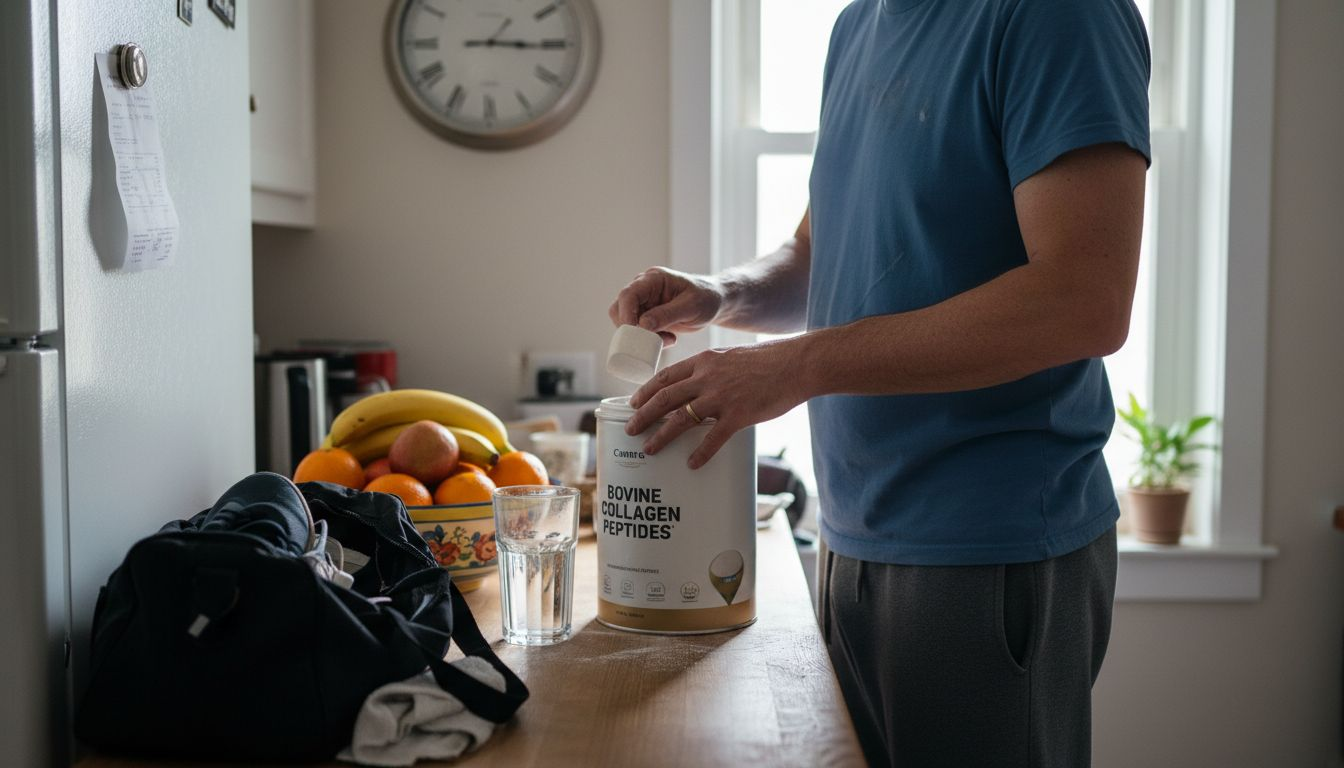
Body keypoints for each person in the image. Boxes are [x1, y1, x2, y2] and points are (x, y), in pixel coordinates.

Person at [609, 0, 1149, 765]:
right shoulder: (860, 25)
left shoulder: (1055, 15)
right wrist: (718, 294)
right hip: (853, 533)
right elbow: (817, 254)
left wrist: (795, 367)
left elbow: (1083, 302)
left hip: (987, 548)